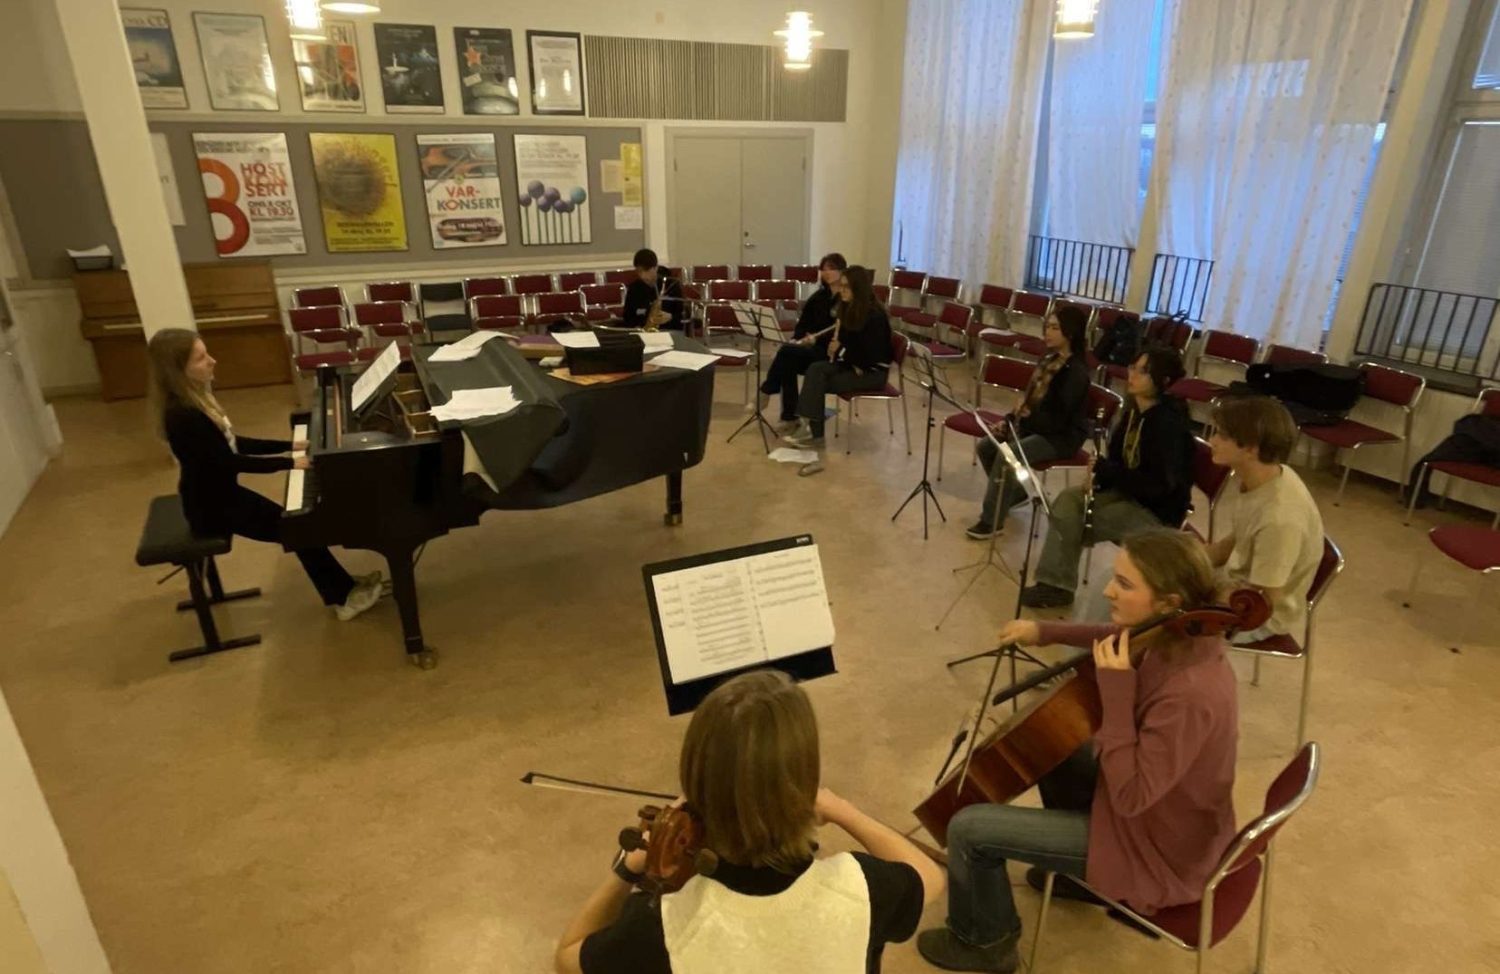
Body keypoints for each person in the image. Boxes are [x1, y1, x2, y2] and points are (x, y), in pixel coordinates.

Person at [917, 530, 1240, 973]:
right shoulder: (1176, 635)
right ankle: (1076, 876)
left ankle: (984, 941)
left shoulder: (1190, 693)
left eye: (1124, 584)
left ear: (1169, 602)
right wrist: (1044, 631)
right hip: (1156, 817)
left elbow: (1131, 796)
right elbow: (1118, 636)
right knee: (1053, 740)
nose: (1108, 590)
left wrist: (1117, 693)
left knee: (968, 829)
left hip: (1153, 848)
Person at [555, 670, 944, 974]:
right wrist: (842, 809)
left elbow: (568, 958)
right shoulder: (862, 889)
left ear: (694, 780)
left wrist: (629, 866)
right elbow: (929, 875)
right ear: (805, 784)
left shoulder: (661, 927)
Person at [147, 329, 383, 621]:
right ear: (177, 371)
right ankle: (343, 599)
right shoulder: (183, 416)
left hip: (221, 495)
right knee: (299, 530)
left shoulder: (195, 399)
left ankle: (344, 585)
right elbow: (229, 462)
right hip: (211, 508)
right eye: (200, 358)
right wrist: (289, 463)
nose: (212, 361)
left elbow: (233, 443)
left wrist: (288, 446)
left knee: (299, 528)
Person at [1020, 346, 1194, 609]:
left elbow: (1158, 486)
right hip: (1128, 493)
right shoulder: (1135, 411)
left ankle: (1056, 587)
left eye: (1143, 371)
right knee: (1068, 499)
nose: (1132, 375)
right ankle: (1055, 583)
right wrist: (1100, 478)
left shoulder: (1167, 424)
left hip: (1155, 512)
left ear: (1164, 381)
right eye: (1133, 367)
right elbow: (1117, 461)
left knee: (1076, 520)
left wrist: (1107, 471)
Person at [1205, 396, 1325, 643]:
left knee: (1156, 615)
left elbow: (1262, 602)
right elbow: (1233, 543)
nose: (1212, 441)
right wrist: (1184, 560)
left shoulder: (1279, 519)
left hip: (1256, 617)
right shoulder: (1264, 478)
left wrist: (1200, 590)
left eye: (1222, 436)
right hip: (1237, 588)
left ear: (1251, 449)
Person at [965, 307, 1092, 540]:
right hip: (1037, 427)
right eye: (1047, 327)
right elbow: (1028, 401)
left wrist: (1022, 428)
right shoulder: (1048, 359)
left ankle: (991, 521)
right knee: (986, 446)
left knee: (1007, 455)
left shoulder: (1076, 372)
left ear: (1070, 333)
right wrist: (1009, 421)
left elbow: (1058, 419)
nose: (1047, 332)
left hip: (1060, 438)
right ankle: (1015, 494)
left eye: (1055, 328)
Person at [783, 266, 894, 458]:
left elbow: (871, 357)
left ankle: (812, 432)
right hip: (853, 366)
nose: (841, 290)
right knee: (815, 369)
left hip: (873, 374)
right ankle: (811, 430)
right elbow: (848, 344)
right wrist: (834, 347)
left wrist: (840, 350)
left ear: (858, 289)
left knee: (817, 380)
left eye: (846, 287)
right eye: (841, 286)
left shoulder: (875, 316)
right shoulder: (850, 309)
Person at [760, 253, 849, 432]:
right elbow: (802, 324)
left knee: (786, 353)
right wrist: (800, 338)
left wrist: (815, 339)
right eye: (823, 269)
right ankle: (789, 416)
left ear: (842, 271)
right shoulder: (818, 297)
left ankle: (770, 395)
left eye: (831, 268)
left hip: (831, 352)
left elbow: (842, 332)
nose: (826, 272)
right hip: (812, 348)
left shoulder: (846, 299)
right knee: (788, 358)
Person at [621, 248, 685, 331]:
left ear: (656, 268)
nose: (643, 276)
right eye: (639, 271)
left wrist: (671, 317)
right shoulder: (634, 289)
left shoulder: (671, 285)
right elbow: (627, 318)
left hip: (669, 331)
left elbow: (684, 315)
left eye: (647, 270)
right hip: (642, 332)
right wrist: (636, 326)